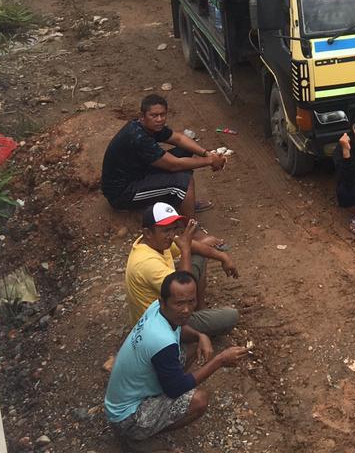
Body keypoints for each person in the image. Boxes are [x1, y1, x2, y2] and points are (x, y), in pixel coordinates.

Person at [105, 271, 248, 452]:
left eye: (191, 301)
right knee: (199, 400)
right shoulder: (161, 340)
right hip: (126, 417)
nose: (187, 310)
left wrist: (200, 335)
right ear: (163, 302)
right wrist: (220, 360)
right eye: (179, 303)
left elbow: (180, 328)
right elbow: (176, 389)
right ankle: (138, 435)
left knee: (189, 349)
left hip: (123, 399)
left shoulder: (156, 309)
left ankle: (148, 421)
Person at [125, 202, 239, 338]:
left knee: (198, 254)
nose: (172, 235)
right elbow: (183, 287)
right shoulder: (147, 263)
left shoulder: (153, 241)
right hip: (162, 325)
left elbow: (193, 246)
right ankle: (184, 340)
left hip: (172, 304)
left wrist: (223, 256)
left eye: (174, 229)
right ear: (148, 233)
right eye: (166, 230)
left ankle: (198, 307)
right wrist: (185, 249)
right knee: (230, 316)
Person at [101, 95, 226, 216]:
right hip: (123, 193)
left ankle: (181, 198)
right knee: (184, 181)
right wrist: (210, 161)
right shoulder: (138, 137)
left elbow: (179, 139)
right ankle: (191, 231)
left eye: (163, 114)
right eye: (154, 115)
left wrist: (207, 154)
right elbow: (174, 165)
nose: (159, 119)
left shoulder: (149, 127)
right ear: (142, 116)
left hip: (138, 172)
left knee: (184, 152)